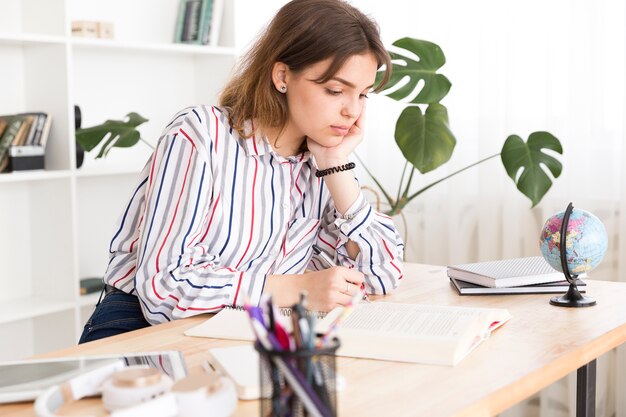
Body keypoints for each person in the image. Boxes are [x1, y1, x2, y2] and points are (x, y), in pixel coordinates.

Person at [79, 0, 404, 344]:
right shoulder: (200, 135)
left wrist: (337, 167)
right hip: (144, 327)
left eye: (363, 95)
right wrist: (295, 288)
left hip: (248, 330)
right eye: (335, 90)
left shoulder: (320, 161)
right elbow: (164, 288)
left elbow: (380, 275)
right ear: (282, 76)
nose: (352, 110)